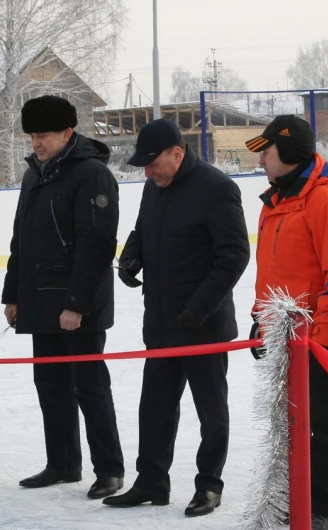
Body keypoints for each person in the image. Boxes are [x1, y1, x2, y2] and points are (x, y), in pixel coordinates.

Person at [103, 119, 250, 517]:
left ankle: (209, 486)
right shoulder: (154, 187)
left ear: (177, 153)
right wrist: (131, 258)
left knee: (211, 413)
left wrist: (200, 307)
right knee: (154, 408)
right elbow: (142, 230)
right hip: (161, 322)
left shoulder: (217, 188)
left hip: (204, 325)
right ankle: (151, 481)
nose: (148, 173)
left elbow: (234, 255)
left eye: (153, 164)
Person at [1, 95, 125, 499]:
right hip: (39, 299)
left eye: (44, 135)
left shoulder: (92, 174)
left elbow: (97, 244)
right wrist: (13, 294)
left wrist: (76, 305)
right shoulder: (34, 175)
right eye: (32, 136)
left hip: (78, 305)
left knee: (90, 387)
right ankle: (62, 463)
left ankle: (109, 469)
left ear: (68, 133)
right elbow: (21, 239)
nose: (36, 143)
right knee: (50, 385)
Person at [245, 115, 328, 530]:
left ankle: (323, 512)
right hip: (284, 336)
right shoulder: (275, 201)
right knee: (289, 425)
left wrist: (322, 338)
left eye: (267, 151)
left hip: (319, 338)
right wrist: (261, 320)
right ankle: (292, 503)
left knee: (321, 428)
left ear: (290, 152)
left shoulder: (325, 199)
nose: (261, 160)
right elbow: (271, 271)